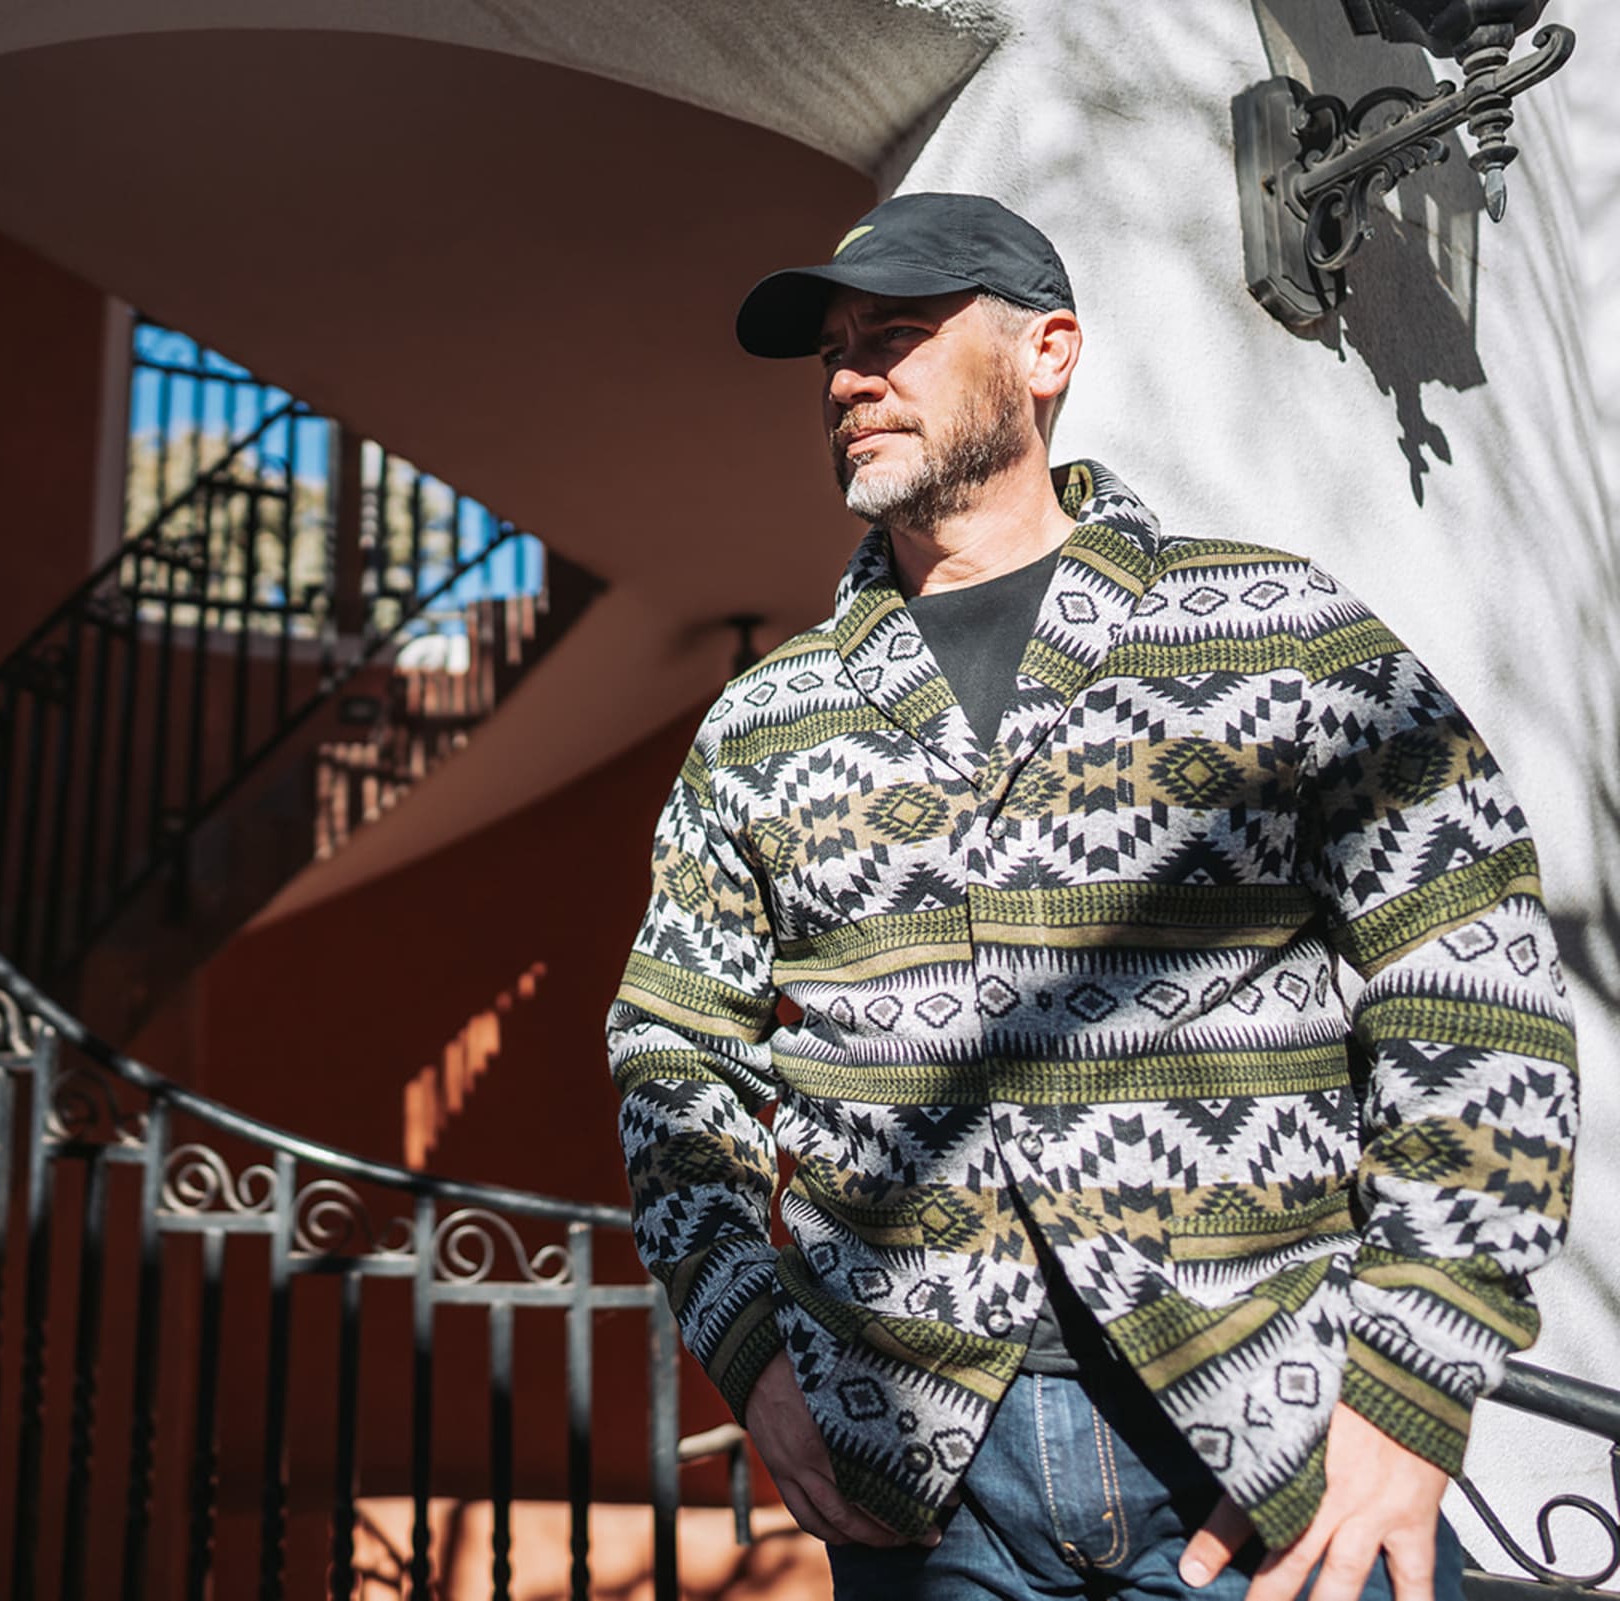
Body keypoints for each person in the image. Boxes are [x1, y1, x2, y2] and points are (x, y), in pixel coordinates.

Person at [606, 192, 1578, 1601]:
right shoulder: (769, 722)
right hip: (921, 1493)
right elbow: (669, 1047)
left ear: (1047, 350)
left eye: (896, 334)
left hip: (1271, 1457)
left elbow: (1470, 983)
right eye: (833, 350)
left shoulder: (1277, 631)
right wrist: (750, 1348)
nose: (849, 378)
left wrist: (1415, 1383)